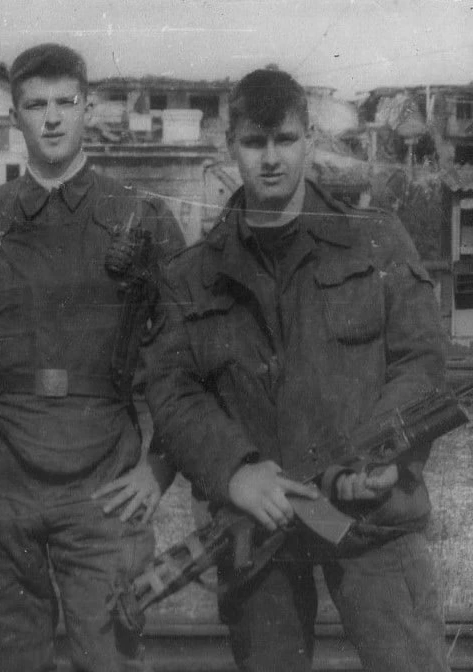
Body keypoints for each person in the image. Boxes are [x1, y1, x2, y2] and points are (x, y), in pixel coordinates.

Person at [145, 67, 449, 672]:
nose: (271, 159)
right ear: (229, 146)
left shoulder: (376, 241)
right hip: (260, 525)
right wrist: (234, 472)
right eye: (254, 142)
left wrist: (383, 453)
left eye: (284, 139)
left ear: (309, 138)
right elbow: (173, 391)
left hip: (368, 515)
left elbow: (420, 360)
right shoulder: (193, 274)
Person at [0, 43, 184, 672]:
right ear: (14, 115)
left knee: (109, 658)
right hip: (4, 481)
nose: (53, 118)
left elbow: (189, 360)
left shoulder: (143, 218)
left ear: (88, 107)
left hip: (105, 484)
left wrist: (159, 469)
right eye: (36, 104)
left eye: (66, 102)